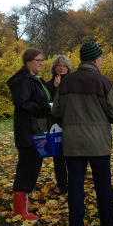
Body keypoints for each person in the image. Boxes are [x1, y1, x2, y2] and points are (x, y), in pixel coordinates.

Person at [52, 41, 113, 226]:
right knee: (103, 186)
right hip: (98, 143)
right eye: (101, 58)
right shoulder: (104, 82)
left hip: (73, 143)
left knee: (75, 189)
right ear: (95, 59)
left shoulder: (66, 83)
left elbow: (56, 112)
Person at [7, 49, 52, 220]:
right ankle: (20, 210)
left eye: (42, 60)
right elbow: (24, 104)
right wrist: (47, 107)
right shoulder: (22, 81)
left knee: (34, 165)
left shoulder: (33, 79)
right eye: (38, 60)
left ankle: (26, 201)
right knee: (27, 167)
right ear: (28, 61)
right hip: (28, 132)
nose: (41, 63)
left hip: (36, 130)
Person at [46, 55, 73, 194]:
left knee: (73, 154)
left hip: (71, 122)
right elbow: (50, 103)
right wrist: (56, 88)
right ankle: (62, 184)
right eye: (59, 65)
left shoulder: (74, 82)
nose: (61, 68)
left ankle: (74, 181)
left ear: (68, 68)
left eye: (64, 66)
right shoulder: (49, 85)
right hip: (55, 123)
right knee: (58, 155)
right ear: (54, 68)